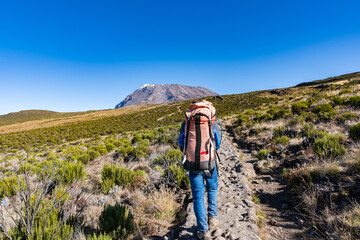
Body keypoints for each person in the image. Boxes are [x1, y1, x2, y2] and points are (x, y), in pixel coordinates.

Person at [178, 100, 221, 240]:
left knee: (198, 197)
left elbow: (181, 142)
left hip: (193, 165)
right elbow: (218, 144)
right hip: (210, 163)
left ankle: (203, 231)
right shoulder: (211, 120)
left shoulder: (187, 121)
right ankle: (213, 218)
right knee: (212, 189)